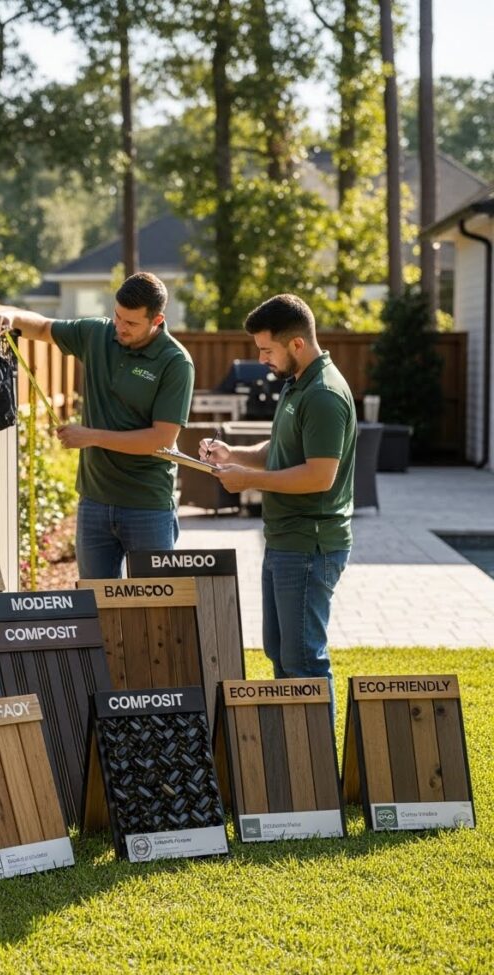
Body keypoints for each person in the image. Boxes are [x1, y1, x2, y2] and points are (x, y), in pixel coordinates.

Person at [199, 293, 356, 720]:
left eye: (267, 350)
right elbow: (283, 450)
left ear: (297, 344)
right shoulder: (296, 383)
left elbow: (318, 476)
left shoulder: (323, 394)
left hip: (310, 546)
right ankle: (292, 761)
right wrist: (234, 455)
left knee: (303, 662)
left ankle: (317, 771)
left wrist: (247, 481)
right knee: (281, 657)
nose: (262, 359)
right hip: (286, 543)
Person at [0, 272, 195, 578]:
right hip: (94, 501)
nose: (120, 328)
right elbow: (44, 327)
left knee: (155, 612)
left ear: (157, 319)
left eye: (131, 323)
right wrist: (10, 316)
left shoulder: (175, 362)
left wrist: (92, 437)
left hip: (147, 505)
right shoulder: (97, 333)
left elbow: (160, 439)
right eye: (118, 316)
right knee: (96, 607)